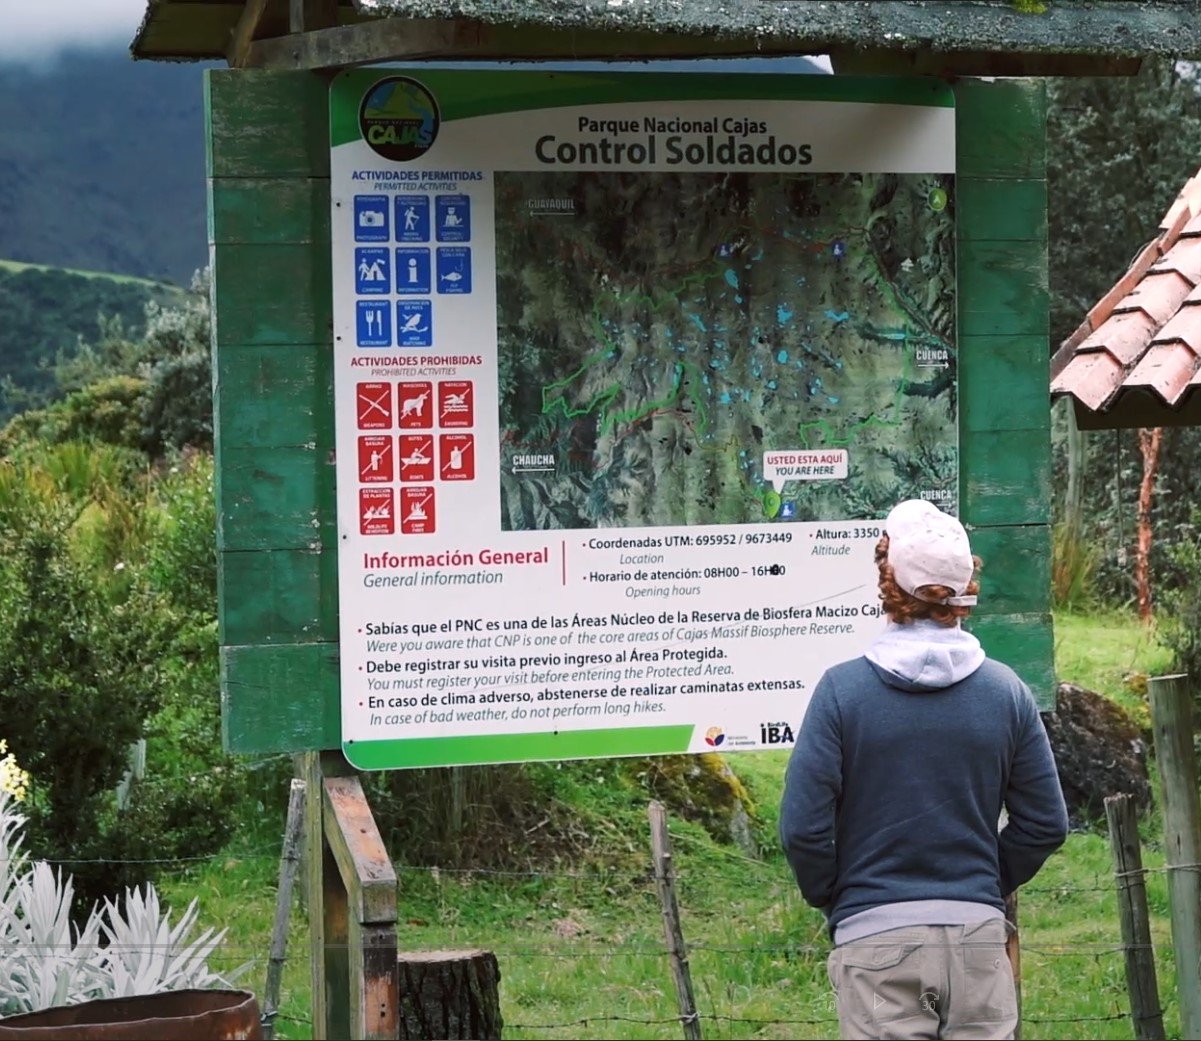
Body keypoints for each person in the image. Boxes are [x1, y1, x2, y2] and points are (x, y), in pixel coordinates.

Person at [779, 499, 1067, 1041]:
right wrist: (981, 883)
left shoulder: (842, 692)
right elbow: (1045, 824)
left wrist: (836, 895)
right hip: (978, 941)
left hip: (874, 941)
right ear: (965, 588)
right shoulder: (1007, 692)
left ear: (887, 580)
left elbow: (802, 828)